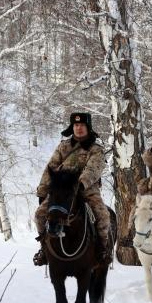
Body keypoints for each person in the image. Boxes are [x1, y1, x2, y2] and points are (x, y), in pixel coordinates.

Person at [33, 112, 111, 266]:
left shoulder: (96, 149)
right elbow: (51, 167)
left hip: (87, 190)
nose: (79, 128)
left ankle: (102, 249)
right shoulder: (63, 146)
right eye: (76, 125)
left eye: (82, 125)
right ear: (72, 127)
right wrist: (43, 191)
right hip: (62, 190)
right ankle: (44, 247)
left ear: (87, 127)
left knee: (103, 216)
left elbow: (93, 169)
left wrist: (80, 184)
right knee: (39, 215)